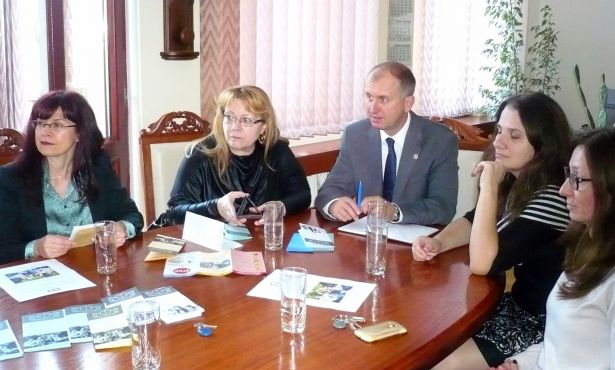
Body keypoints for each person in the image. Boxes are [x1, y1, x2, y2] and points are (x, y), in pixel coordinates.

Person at [379, 126, 615, 370]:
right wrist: (516, 365)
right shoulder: (591, 251)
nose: (564, 189)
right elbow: (558, 343)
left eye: (577, 179)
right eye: (568, 175)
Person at [412, 92, 572, 370]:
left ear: (543, 145)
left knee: (443, 366)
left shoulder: (552, 198)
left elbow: (483, 262)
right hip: (518, 305)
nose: (498, 141)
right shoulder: (520, 181)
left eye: (515, 136)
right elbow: (473, 220)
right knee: (427, 332)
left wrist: (488, 188)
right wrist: (439, 242)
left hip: (544, 321)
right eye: (499, 131)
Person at [0, 90, 143, 264]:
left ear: (79, 134)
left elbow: (132, 215)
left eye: (57, 125)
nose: (45, 132)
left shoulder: (98, 167)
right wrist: (35, 248)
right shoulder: (10, 178)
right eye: (41, 123)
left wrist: (122, 228)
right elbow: (4, 248)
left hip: (93, 269)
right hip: (41, 274)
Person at [314, 61, 458, 226]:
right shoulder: (355, 134)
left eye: (383, 99)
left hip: (418, 237)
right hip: (367, 235)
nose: (372, 108)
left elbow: (443, 207)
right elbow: (329, 190)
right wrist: (334, 204)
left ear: (408, 103)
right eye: (369, 97)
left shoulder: (439, 140)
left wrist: (394, 211)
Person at [164, 85, 310, 226]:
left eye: (246, 120)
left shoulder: (277, 150)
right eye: (229, 117)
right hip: (210, 240)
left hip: (261, 237)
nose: (235, 127)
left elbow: (302, 195)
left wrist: (281, 207)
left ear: (263, 126)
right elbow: (175, 213)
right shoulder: (199, 155)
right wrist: (216, 207)